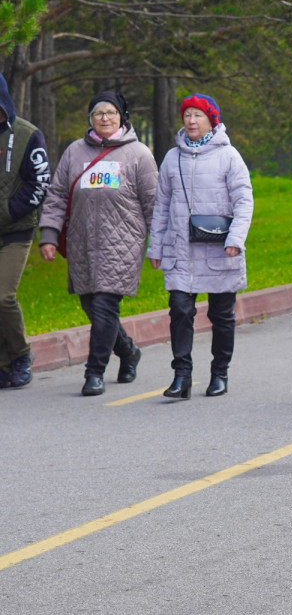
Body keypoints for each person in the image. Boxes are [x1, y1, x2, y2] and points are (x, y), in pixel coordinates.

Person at [38, 91, 157, 396]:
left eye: (110, 112)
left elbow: (154, 202)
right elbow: (56, 195)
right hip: (83, 241)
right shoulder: (74, 152)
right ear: (90, 119)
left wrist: (159, 243)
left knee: (105, 305)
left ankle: (94, 373)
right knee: (92, 306)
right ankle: (128, 351)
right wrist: (49, 235)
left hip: (123, 242)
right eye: (98, 113)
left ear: (122, 117)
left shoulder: (139, 154)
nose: (104, 117)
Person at [147, 94, 254, 399]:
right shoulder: (172, 157)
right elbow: (162, 205)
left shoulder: (229, 157)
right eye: (187, 115)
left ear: (212, 120)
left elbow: (244, 201)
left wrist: (235, 239)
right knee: (179, 309)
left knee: (221, 315)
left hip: (220, 249)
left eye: (198, 115)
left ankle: (220, 372)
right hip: (181, 250)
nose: (191, 121)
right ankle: (182, 376)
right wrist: (155, 247)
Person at [0, 73, 50, 389]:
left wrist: (7, 212)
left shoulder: (27, 135)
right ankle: (4, 365)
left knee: (2, 297)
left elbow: (40, 183)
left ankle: (20, 355)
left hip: (15, 230)